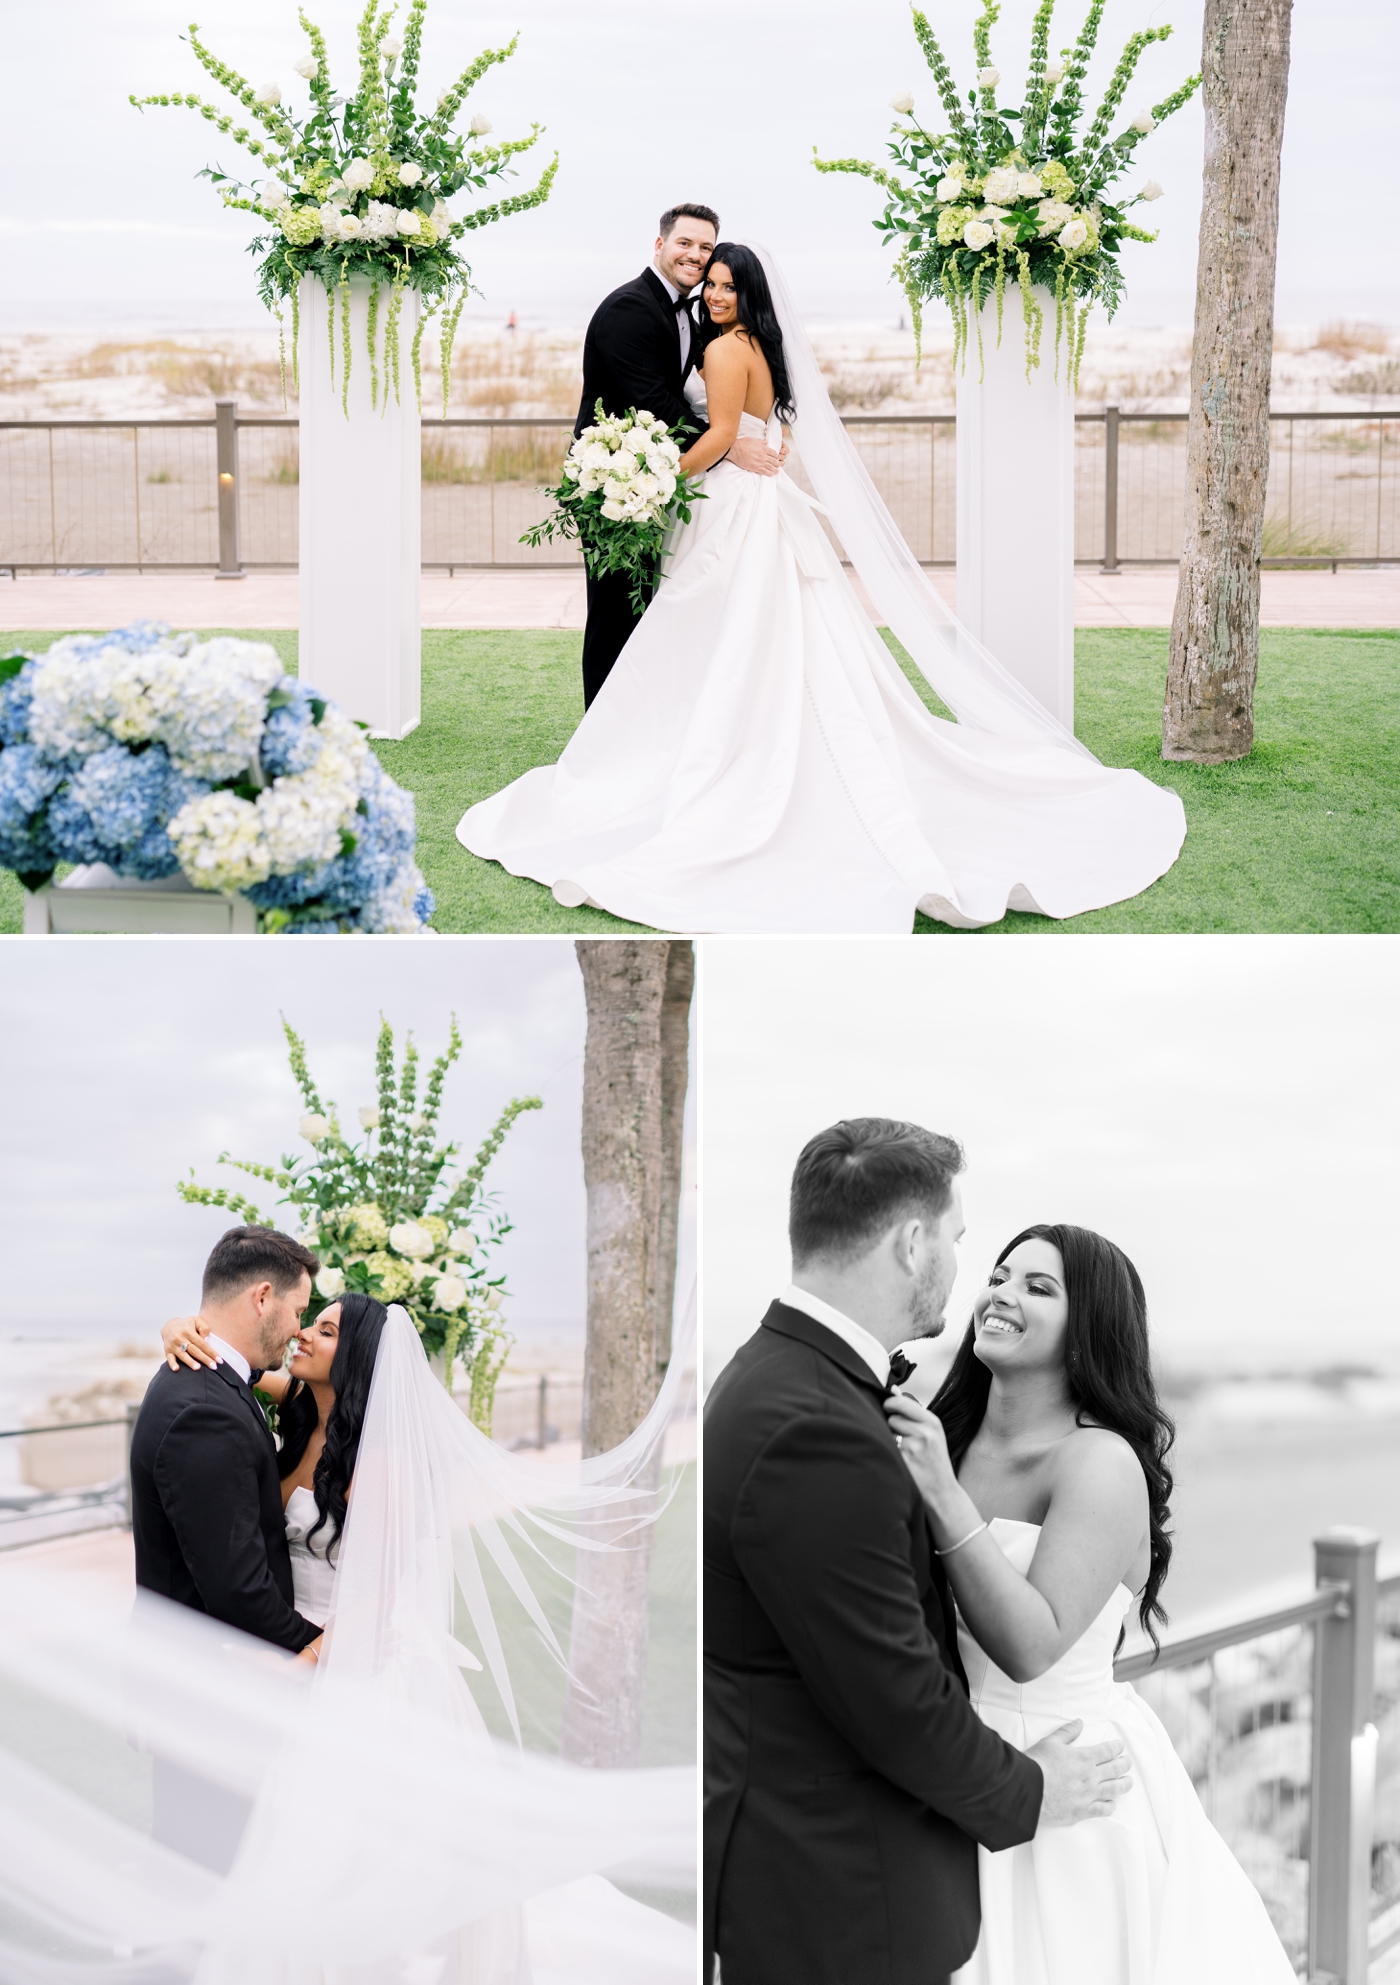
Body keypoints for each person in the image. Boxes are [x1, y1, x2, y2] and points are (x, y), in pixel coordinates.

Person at [457, 242, 1186, 931]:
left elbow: (713, 441)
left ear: (748, 294)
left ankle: (718, 759)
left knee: (717, 630)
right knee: (762, 633)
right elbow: (775, 431)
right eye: (708, 283)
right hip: (766, 501)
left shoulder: (720, 347)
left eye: (725, 286)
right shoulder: (764, 348)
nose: (713, 294)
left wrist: (651, 481)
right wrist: (745, 454)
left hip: (734, 506)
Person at [703, 1120, 1134, 1985]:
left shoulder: (798, 1383)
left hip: (937, 1833)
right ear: (911, 1242)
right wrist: (1031, 1792)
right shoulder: (817, 1422)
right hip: (847, 1884)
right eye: (963, 1242)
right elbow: (892, 1691)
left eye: (1033, 1282)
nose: (980, 1277)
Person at [885, 1223, 1298, 1984]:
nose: (1003, 1295)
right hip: (947, 1761)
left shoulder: (1099, 1461)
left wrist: (940, 1492)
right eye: (1002, 1275)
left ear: (1089, 1329)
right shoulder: (949, 1435)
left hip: (1069, 1779)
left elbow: (1031, 1643)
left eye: (1039, 1288)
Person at [568, 204, 781, 707]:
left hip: (661, 480)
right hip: (618, 485)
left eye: (705, 248)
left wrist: (762, 430)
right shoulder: (630, 308)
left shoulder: (700, 318)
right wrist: (729, 444)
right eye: (686, 243)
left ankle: (647, 731)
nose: (696, 255)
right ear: (660, 245)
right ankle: (602, 737)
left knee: (657, 616)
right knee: (616, 616)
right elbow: (657, 404)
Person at [162, 1290, 390, 1632]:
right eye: (311, 1323)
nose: (302, 1333)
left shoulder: (377, 1460)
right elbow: (225, 1365)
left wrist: (308, 1659)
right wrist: (175, 1329)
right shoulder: (299, 1406)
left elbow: (383, 1597)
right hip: (275, 1625)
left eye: (325, 1332)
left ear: (357, 1355)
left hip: (335, 1642)